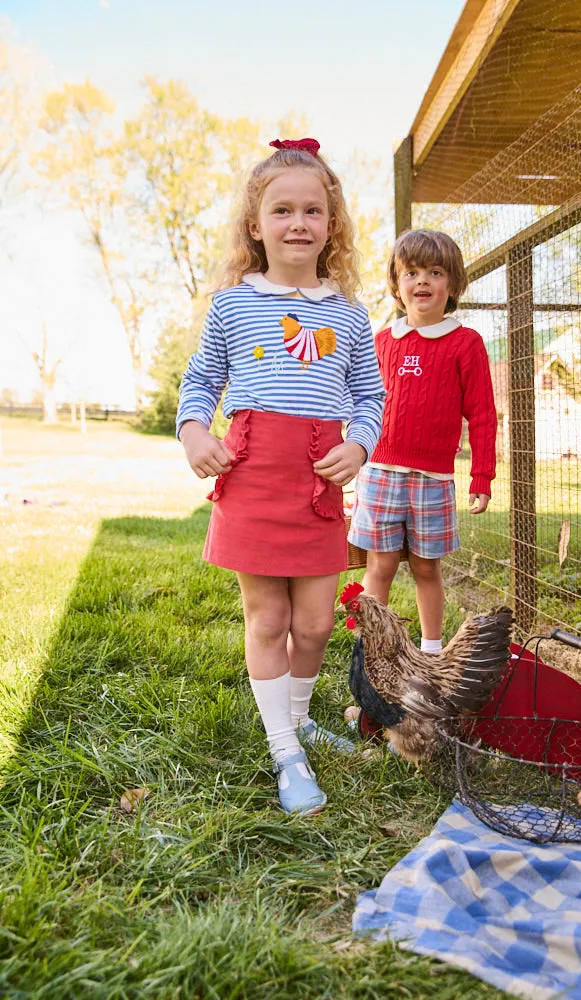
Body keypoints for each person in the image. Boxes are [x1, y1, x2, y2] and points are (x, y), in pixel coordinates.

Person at [177, 138, 385, 816]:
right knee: (268, 618)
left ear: (332, 225)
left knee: (318, 622)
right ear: (255, 223)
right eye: (282, 210)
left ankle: (298, 717)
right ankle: (283, 747)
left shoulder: (349, 313)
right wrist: (194, 430)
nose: (298, 223)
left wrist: (357, 444)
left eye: (312, 211)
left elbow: (369, 394)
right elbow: (203, 376)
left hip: (319, 479)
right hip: (253, 473)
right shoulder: (232, 304)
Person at [348, 228, 497, 653]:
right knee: (380, 566)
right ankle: (372, 652)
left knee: (427, 569)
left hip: (432, 479)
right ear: (397, 284)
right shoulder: (381, 342)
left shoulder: (466, 344)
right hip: (379, 472)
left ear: (452, 285)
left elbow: (483, 415)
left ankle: (432, 654)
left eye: (435, 272)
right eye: (411, 272)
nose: (423, 281)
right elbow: (360, 403)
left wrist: (482, 476)